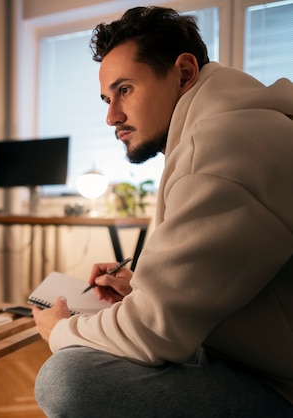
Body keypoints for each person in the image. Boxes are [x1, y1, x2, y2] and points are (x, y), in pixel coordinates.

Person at [32, 6, 293, 417]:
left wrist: (60, 329)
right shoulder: (234, 128)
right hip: (255, 359)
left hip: (279, 387)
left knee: (67, 378)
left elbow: (152, 333)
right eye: (106, 98)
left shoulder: (223, 148)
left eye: (125, 90)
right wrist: (143, 288)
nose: (111, 116)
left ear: (185, 73)